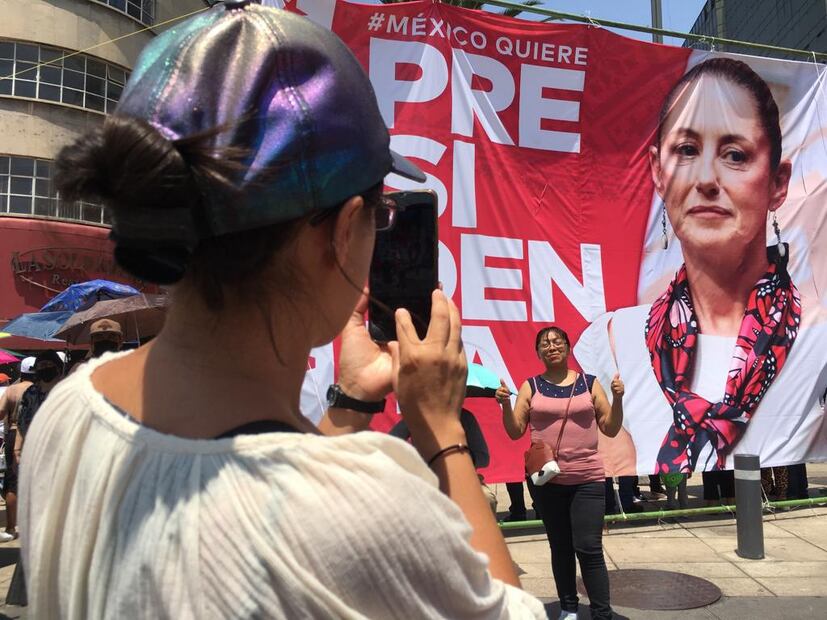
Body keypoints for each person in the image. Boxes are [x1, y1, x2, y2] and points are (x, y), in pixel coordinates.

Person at [19, 5, 544, 618]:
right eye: (379, 215)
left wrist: (352, 402)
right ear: (344, 230)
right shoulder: (374, 504)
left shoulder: (68, 410)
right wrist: (442, 432)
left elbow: (259, 477)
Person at [575, 57, 827, 476]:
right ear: (658, 172)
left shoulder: (816, 342)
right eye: (687, 151)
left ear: (778, 183)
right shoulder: (613, 341)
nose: (707, 179)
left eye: (735, 155)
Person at [497, 326, 625, 620]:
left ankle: (602, 614)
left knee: (589, 548)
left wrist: (618, 399)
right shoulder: (531, 386)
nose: (551, 346)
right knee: (561, 546)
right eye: (545, 344)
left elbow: (610, 427)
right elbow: (515, 431)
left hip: (588, 479)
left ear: (567, 347)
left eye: (557, 342)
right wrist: (505, 405)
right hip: (547, 482)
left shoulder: (589, 383)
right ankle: (568, 608)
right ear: (538, 352)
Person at [0, 360, 33, 543]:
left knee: (13, 482)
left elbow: (0, 413)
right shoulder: (42, 390)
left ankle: (11, 527)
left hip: (14, 433)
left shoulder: (12, 390)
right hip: (39, 434)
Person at [15, 351, 64, 458]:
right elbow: (20, 422)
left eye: (49, 364)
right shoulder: (30, 393)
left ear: (58, 368)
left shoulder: (67, 392)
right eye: (41, 365)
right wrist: (17, 450)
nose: (45, 368)